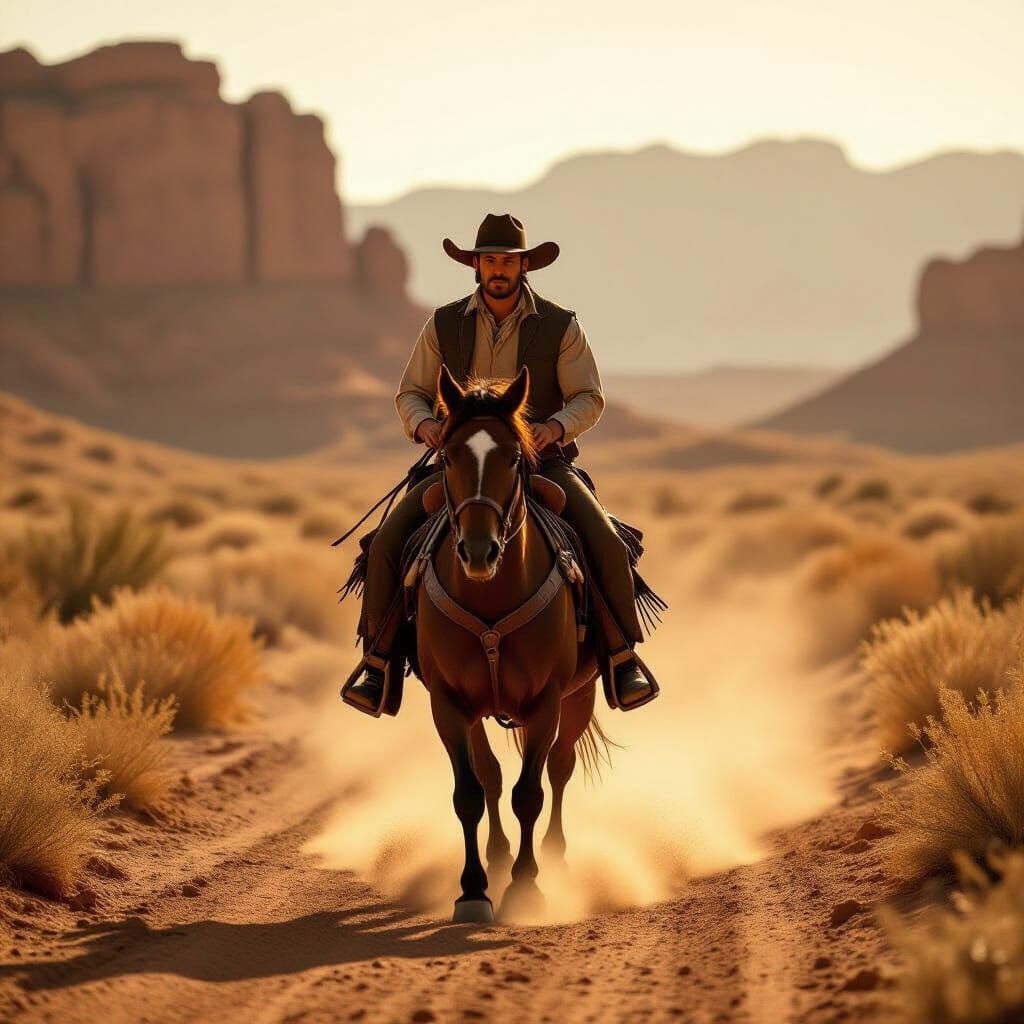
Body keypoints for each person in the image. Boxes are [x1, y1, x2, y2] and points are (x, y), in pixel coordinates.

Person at [343, 213, 660, 714]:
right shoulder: (443, 323)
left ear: (523, 267)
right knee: (385, 543)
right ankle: (378, 665)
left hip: (541, 462)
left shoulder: (560, 325)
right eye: (489, 260)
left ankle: (622, 660)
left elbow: (589, 397)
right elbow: (411, 393)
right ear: (475, 266)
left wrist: (553, 428)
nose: (498, 269)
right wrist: (426, 426)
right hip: (462, 464)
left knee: (604, 541)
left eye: (507, 262)